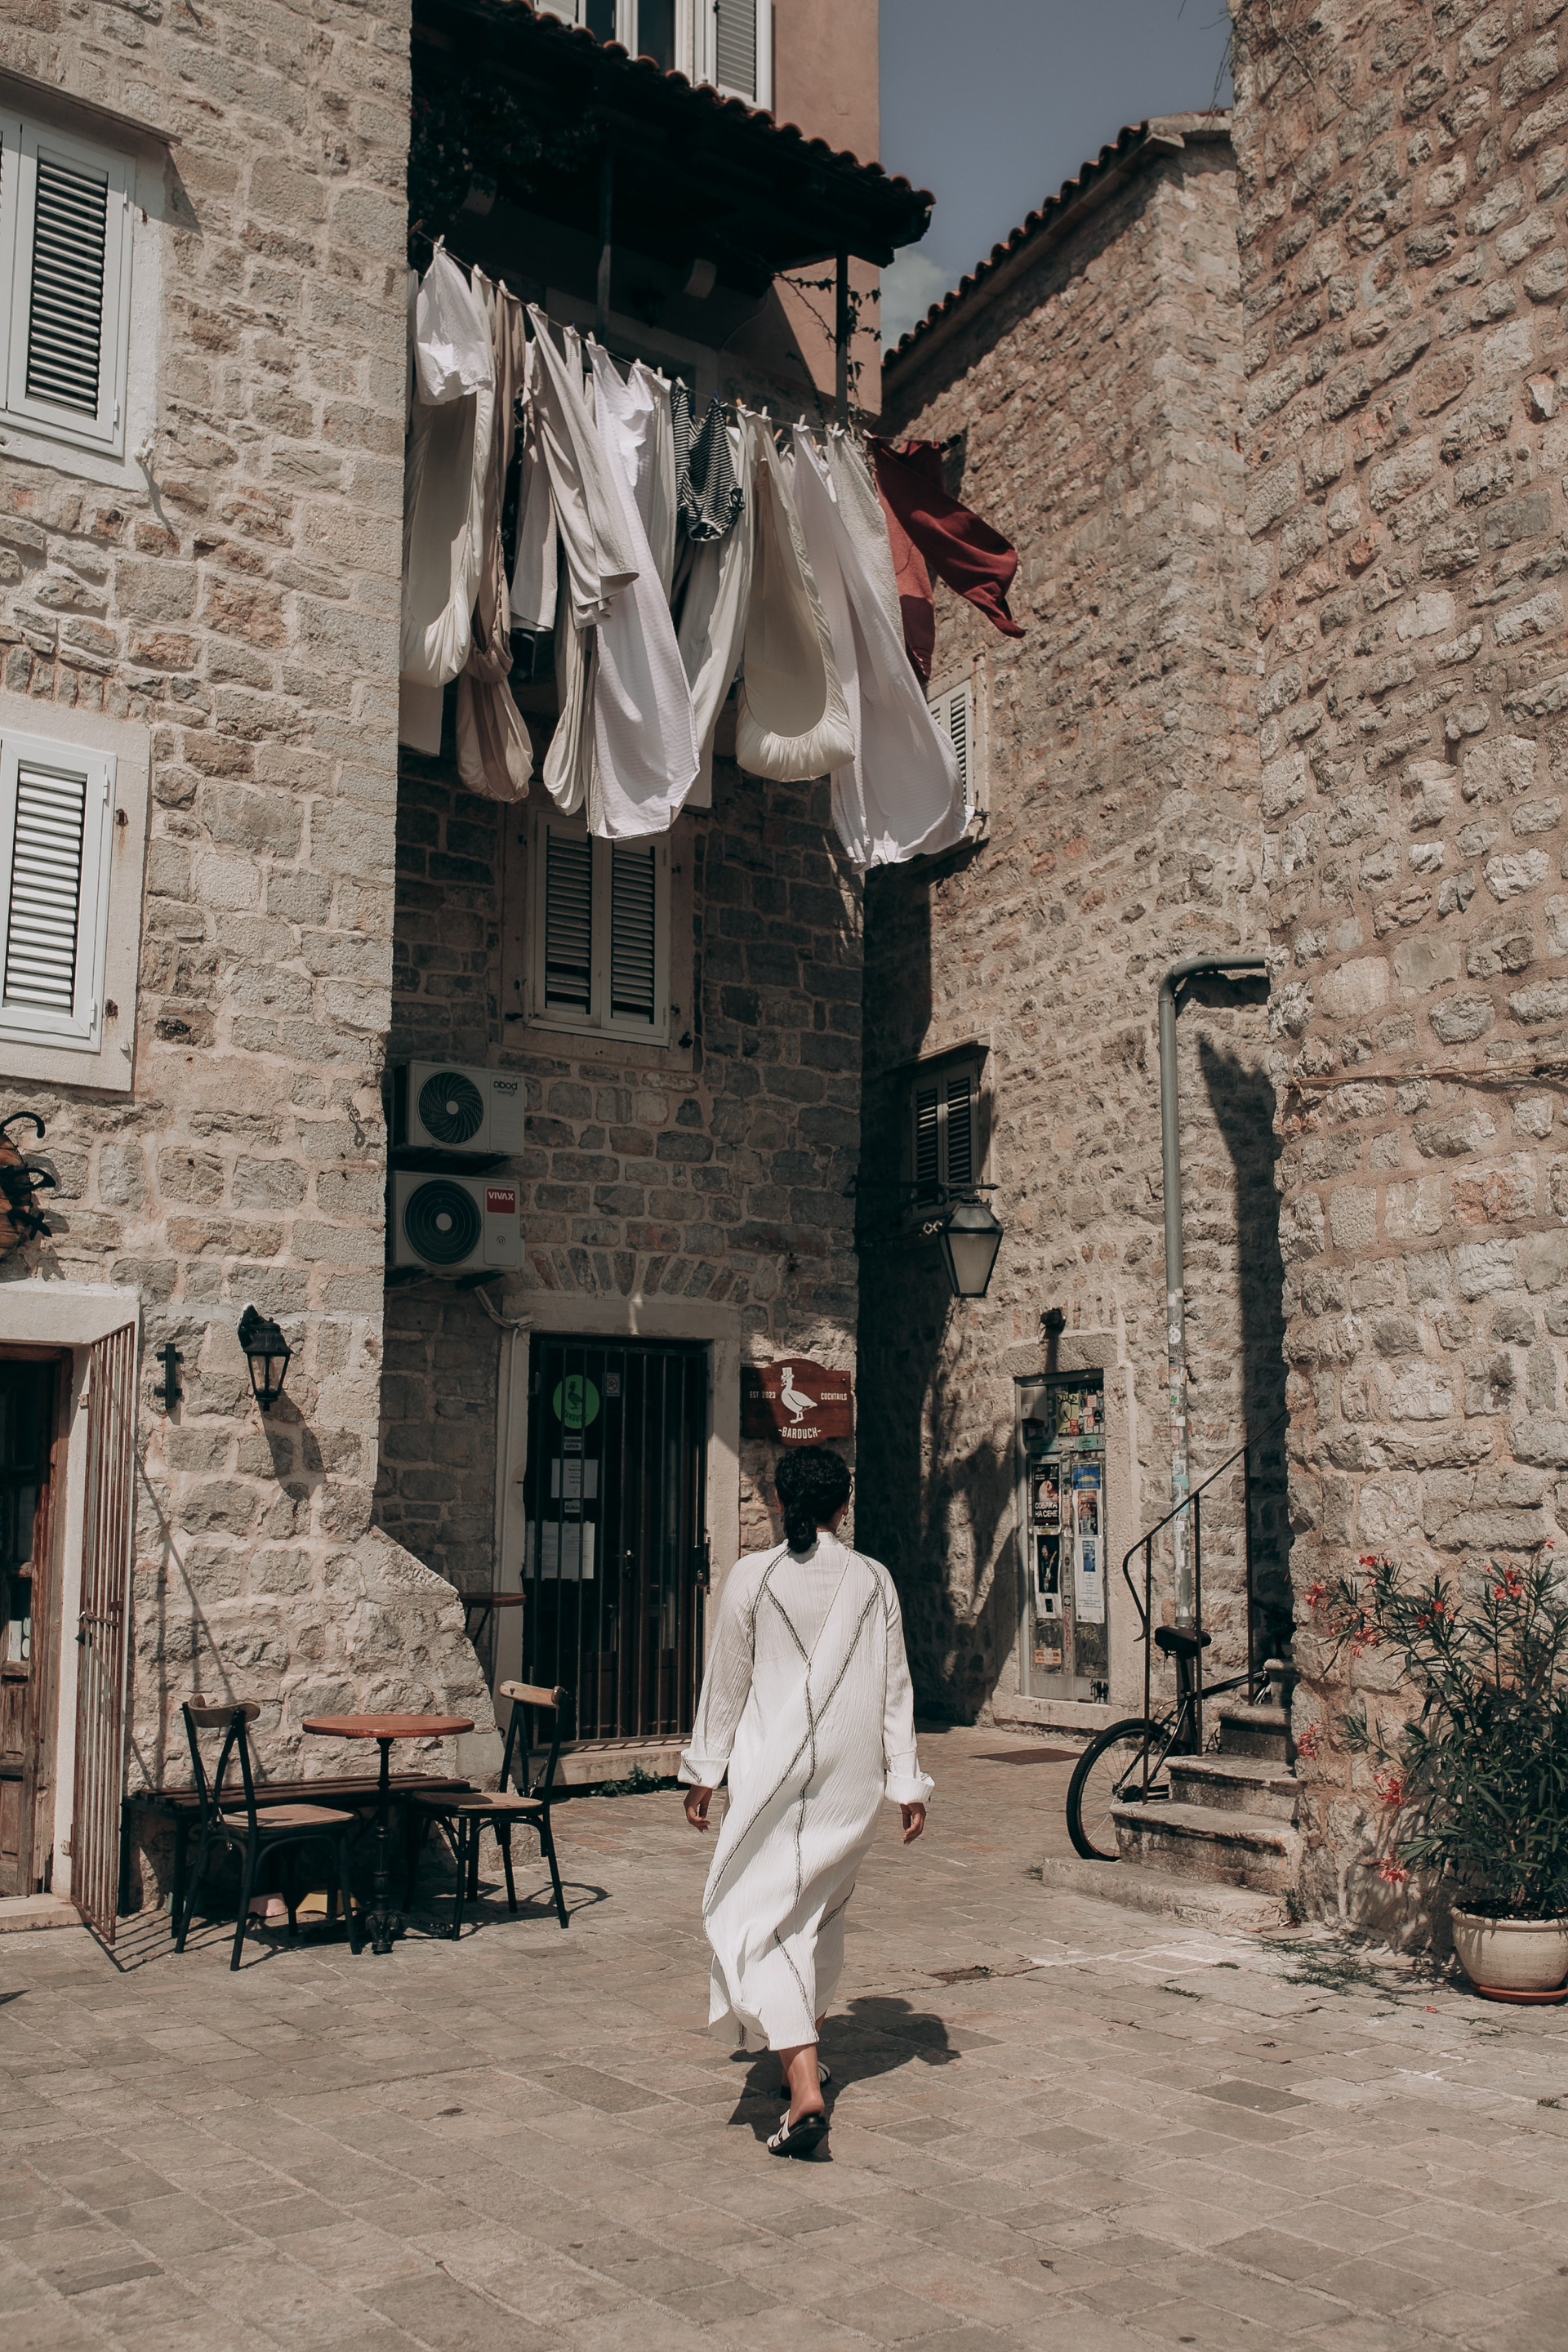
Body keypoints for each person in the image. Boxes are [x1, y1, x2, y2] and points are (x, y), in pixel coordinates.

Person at [680, 1446, 932, 2158]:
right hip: (853, 1781)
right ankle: (805, 2055)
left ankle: (803, 2091)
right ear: (844, 1506)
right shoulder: (874, 1578)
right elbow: (895, 1687)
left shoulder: (753, 1576)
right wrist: (906, 1782)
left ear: (778, 1502)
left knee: (754, 1921)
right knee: (819, 1916)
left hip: (772, 1776)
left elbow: (726, 1681)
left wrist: (705, 1771)